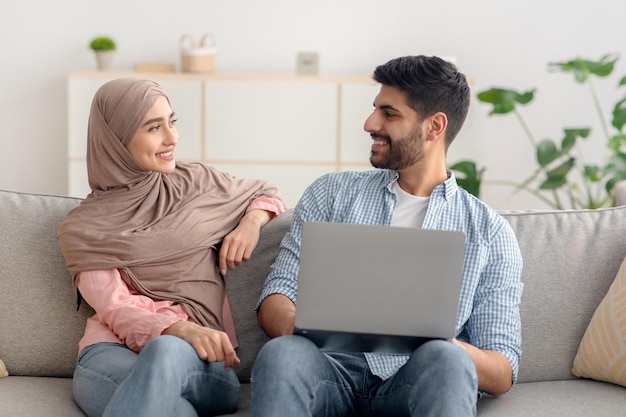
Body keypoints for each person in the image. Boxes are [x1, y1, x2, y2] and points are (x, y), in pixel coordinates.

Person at [251, 55, 523, 417]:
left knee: (448, 360)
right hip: (330, 372)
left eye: (389, 114)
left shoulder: (490, 231)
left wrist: (440, 344)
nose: (370, 123)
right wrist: (303, 328)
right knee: (283, 353)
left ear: (434, 126)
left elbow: (502, 370)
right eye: (374, 109)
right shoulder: (330, 194)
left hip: (415, 379)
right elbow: (277, 292)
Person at [57, 78, 285, 417]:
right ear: (117, 138)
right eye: (153, 127)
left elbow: (264, 192)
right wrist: (174, 326)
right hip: (109, 351)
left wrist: (251, 223)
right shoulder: (82, 228)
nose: (172, 137)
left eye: (171, 122)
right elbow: (115, 307)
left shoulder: (196, 182)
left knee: (164, 351)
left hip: (200, 357)